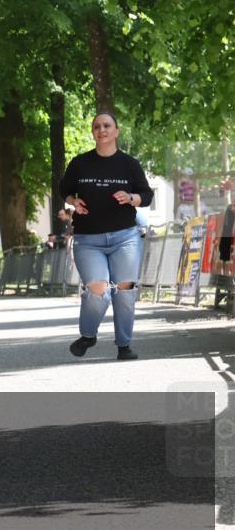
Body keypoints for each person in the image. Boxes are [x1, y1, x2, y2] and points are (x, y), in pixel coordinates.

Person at [60, 112, 153, 361]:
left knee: (125, 290)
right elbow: (64, 190)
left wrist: (131, 197)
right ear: (93, 132)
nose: (102, 129)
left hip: (125, 238)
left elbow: (146, 195)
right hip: (88, 240)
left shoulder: (129, 164)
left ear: (116, 131)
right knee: (99, 290)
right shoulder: (80, 163)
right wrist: (73, 201)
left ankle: (124, 345)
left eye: (107, 125)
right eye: (97, 126)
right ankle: (88, 335)